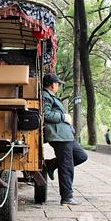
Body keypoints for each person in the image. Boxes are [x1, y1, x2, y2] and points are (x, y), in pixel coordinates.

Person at [42, 73, 88, 206]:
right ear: (52, 85)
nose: (58, 86)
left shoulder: (52, 96)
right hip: (59, 137)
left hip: (66, 136)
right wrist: (63, 117)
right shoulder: (46, 96)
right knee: (67, 166)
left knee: (81, 156)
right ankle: (67, 197)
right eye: (57, 84)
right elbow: (46, 114)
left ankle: (50, 165)